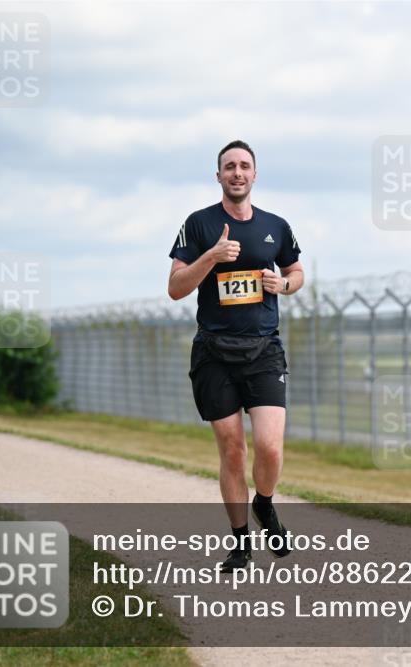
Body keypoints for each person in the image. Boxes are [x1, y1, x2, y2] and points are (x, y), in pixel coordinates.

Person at [167, 140, 304, 572]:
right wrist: (211, 256)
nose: (237, 173)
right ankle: (241, 542)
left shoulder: (276, 226)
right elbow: (175, 287)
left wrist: (283, 286)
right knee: (232, 451)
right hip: (215, 352)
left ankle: (264, 504)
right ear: (219, 176)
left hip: (264, 349)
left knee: (269, 447)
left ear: (255, 174)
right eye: (230, 167)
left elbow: (296, 272)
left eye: (244, 166)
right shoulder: (200, 224)